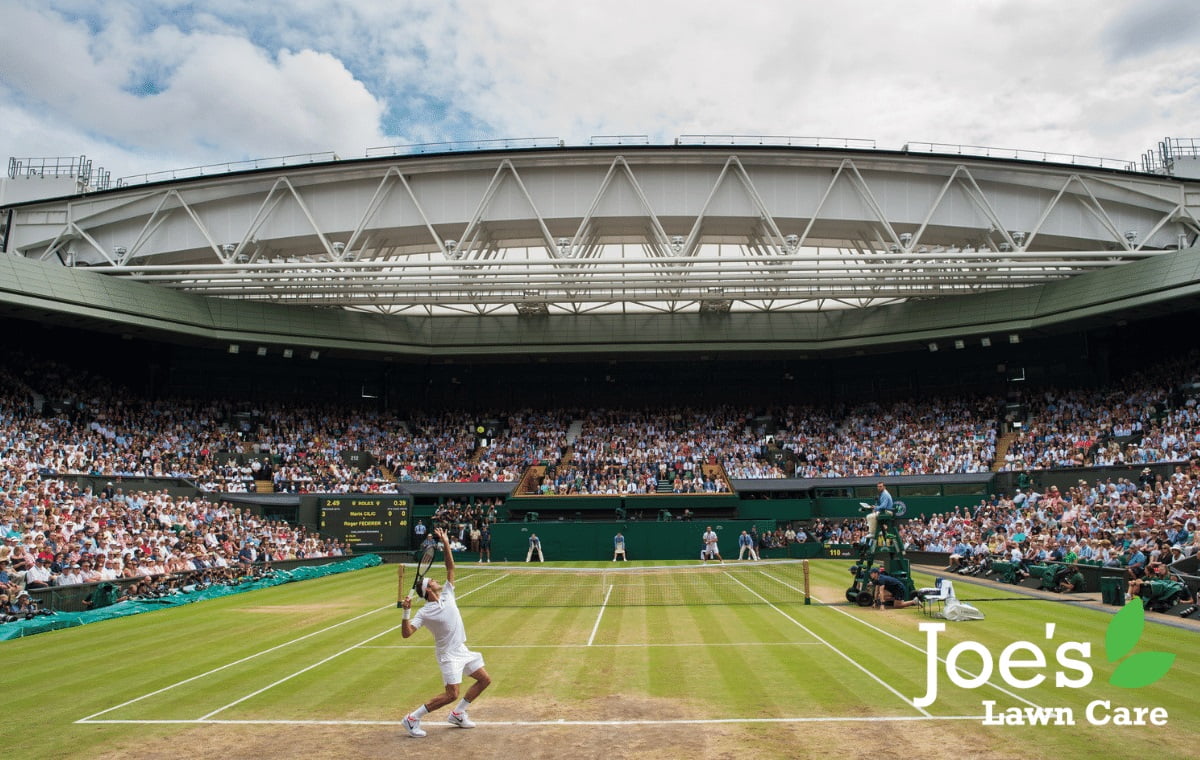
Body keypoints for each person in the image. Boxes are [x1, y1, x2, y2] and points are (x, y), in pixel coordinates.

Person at [400, 528, 492, 737]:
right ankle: (412, 718)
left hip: (461, 649)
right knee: (452, 693)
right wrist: (406, 612)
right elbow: (407, 634)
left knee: (484, 680)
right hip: (448, 655)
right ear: (428, 589)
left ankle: (458, 714)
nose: (436, 579)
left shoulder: (447, 593)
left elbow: (451, 567)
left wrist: (446, 544)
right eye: (432, 580)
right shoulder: (424, 612)